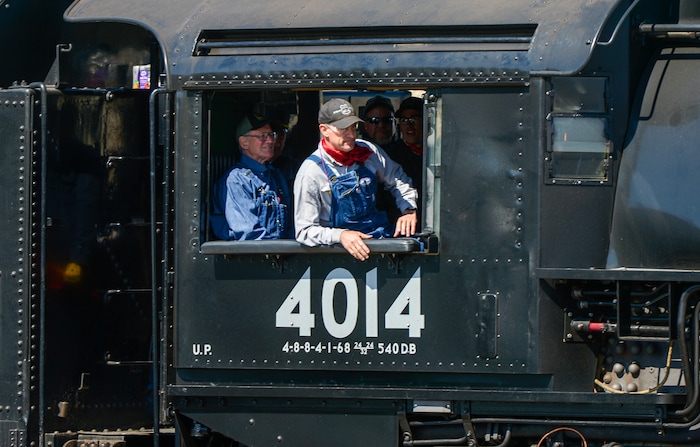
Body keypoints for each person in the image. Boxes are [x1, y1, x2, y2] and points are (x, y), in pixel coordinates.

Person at [294, 98, 418, 261]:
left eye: (353, 127)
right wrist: (341, 235)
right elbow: (304, 231)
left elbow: (398, 179)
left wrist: (408, 208)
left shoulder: (368, 151)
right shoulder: (311, 172)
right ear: (324, 130)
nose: (352, 135)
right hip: (340, 256)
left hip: (380, 242)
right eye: (343, 129)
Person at [211, 113, 293, 240]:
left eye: (271, 135)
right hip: (254, 257)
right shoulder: (236, 180)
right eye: (262, 136)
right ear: (244, 143)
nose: (271, 141)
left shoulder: (276, 176)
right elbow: (249, 234)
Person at [384, 96, 424, 223]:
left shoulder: (440, 152)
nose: (409, 125)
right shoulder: (390, 155)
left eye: (414, 119)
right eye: (404, 120)